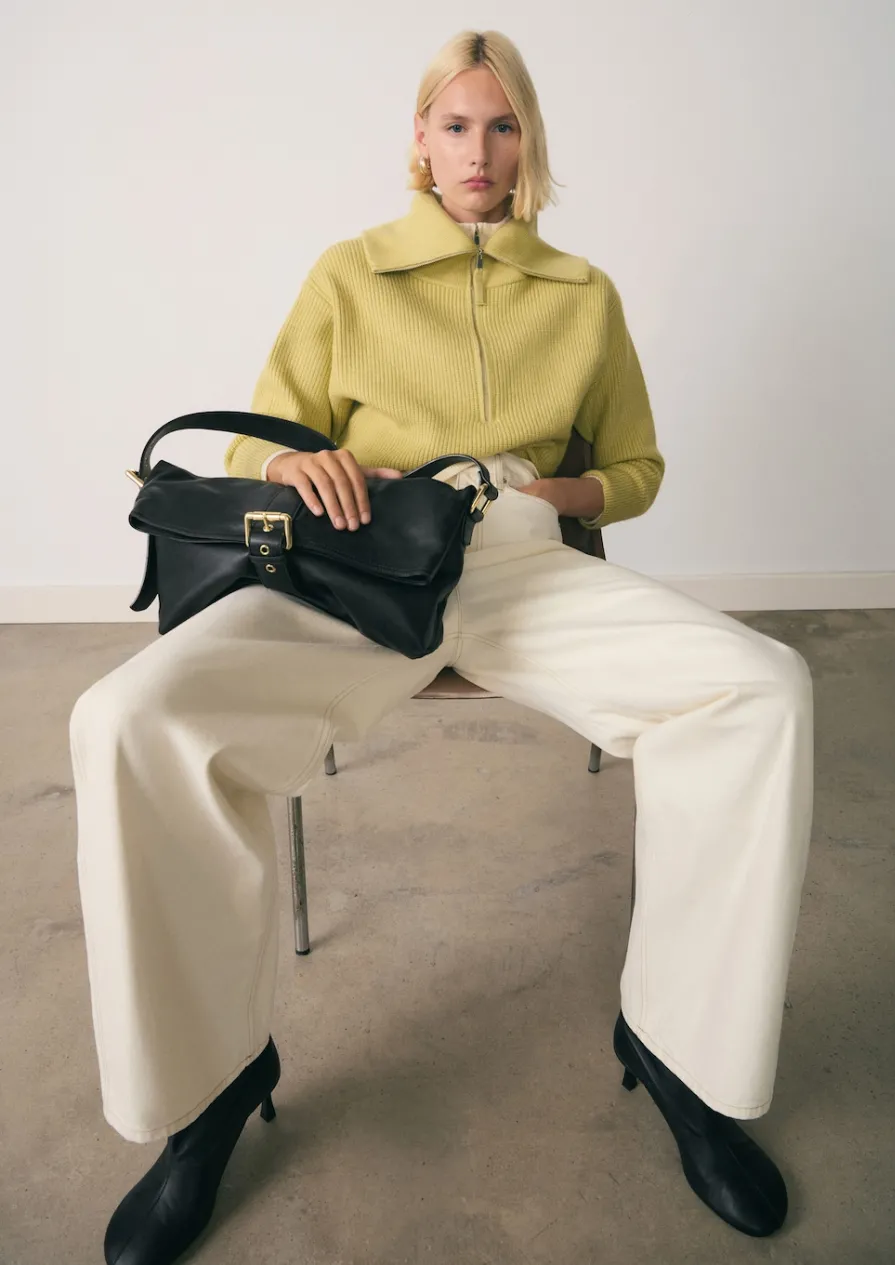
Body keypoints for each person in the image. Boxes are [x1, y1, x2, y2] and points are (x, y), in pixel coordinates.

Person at [70, 29, 814, 1265]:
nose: (479, 151)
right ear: (418, 140)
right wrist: (298, 464)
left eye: (503, 126)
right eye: (457, 125)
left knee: (763, 686)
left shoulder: (582, 295)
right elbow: (257, 443)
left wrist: (539, 491)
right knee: (124, 718)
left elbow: (635, 468)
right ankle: (210, 1085)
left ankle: (678, 1047)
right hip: (356, 569)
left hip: (521, 564)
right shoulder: (349, 272)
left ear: (529, 143)